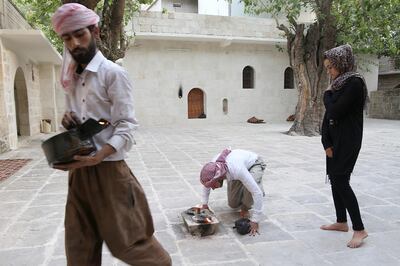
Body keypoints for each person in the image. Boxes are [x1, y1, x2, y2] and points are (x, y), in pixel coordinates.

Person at [51, 3, 171, 265]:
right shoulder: (71, 78)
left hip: (111, 175)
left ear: (96, 31)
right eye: (67, 38)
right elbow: (79, 123)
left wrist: (99, 156)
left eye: (79, 34)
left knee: (133, 246)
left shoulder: (113, 74)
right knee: (79, 249)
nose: (74, 44)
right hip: (78, 175)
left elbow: (127, 125)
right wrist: (68, 123)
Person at [321, 44, 368, 248]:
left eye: (331, 67)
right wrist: (326, 142)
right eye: (327, 68)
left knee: (341, 181)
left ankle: (359, 229)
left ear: (341, 63)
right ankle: (341, 222)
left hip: (348, 140)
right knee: (334, 179)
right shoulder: (338, 85)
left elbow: (335, 111)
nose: (329, 72)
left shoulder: (354, 83)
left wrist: (326, 96)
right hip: (334, 141)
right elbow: (327, 117)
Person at [199, 148, 266, 236]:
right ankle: (246, 181)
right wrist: (204, 204)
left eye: (213, 185)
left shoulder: (236, 169)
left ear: (218, 178)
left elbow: (257, 193)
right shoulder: (213, 168)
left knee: (251, 188)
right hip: (239, 169)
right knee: (233, 204)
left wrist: (255, 220)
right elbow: (206, 185)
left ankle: (253, 185)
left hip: (254, 163)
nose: (212, 188)